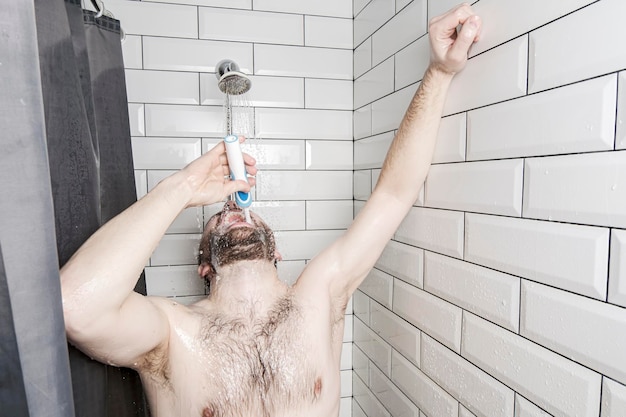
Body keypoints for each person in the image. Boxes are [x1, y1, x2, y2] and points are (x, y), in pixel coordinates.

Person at [60, 4, 482, 416]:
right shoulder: (172, 334)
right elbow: (75, 307)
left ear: (276, 252)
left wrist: (440, 72)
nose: (233, 207)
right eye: (217, 214)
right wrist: (184, 187)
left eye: (239, 207)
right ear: (203, 265)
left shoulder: (320, 296)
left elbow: (394, 194)